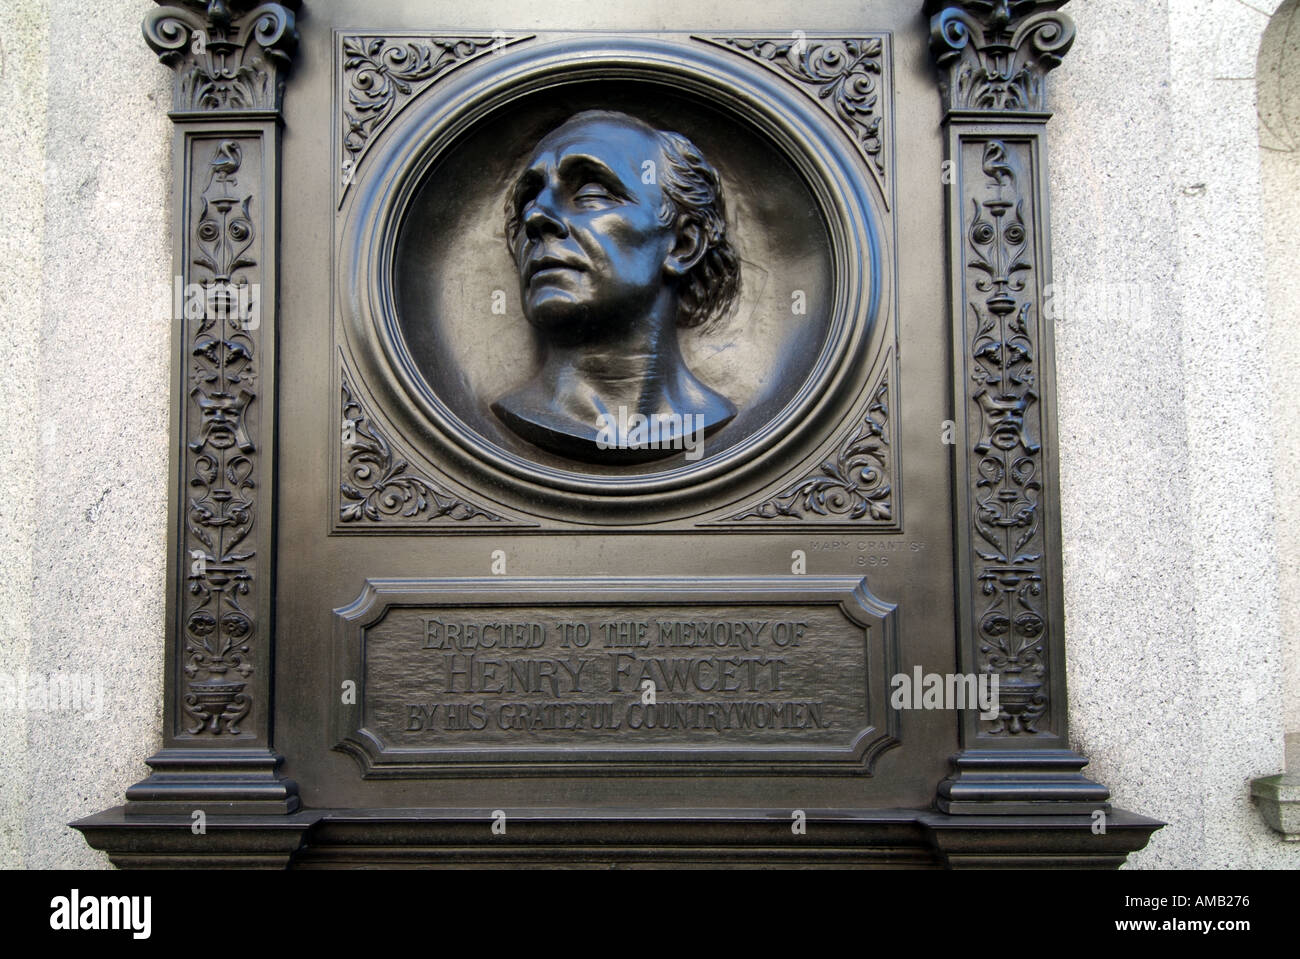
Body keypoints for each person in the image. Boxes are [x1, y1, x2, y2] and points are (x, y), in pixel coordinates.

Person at [493, 109, 740, 463]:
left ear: (684, 244)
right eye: (529, 198)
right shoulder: (518, 415)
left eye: (592, 194)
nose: (535, 217)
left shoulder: (707, 418)